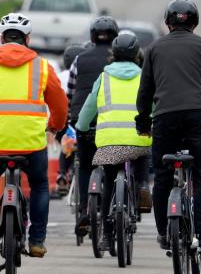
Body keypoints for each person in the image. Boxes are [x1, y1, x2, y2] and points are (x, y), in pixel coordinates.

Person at [0, 12, 68, 262]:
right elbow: (60, 104)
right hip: (30, 143)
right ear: (27, 39)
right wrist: (55, 125)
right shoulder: (42, 67)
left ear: (1, 38)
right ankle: (38, 240)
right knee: (40, 184)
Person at [135, 0, 201, 257]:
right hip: (199, 116)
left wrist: (144, 122)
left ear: (168, 22)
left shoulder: (154, 49)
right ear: (195, 22)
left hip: (166, 118)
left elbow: (145, 91)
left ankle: (163, 231)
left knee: (162, 174)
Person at [76, 32, 152, 251]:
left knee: (109, 180)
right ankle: (143, 185)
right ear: (138, 55)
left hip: (108, 141)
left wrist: (81, 128)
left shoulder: (103, 77)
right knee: (142, 156)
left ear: (113, 54)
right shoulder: (143, 77)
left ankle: (107, 236)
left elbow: (88, 109)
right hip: (137, 137)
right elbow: (152, 108)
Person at [67, 15, 120, 237]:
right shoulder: (120, 63)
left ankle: (83, 212)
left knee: (86, 165)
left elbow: (70, 91)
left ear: (92, 37)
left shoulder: (79, 59)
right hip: (112, 123)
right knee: (113, 167)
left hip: (85, 122)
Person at [56, 43, 88, 194]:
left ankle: (62, 172)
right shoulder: (84, 75)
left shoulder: (60, 76)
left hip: (63, 121)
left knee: (66, 143)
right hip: (81, 120)